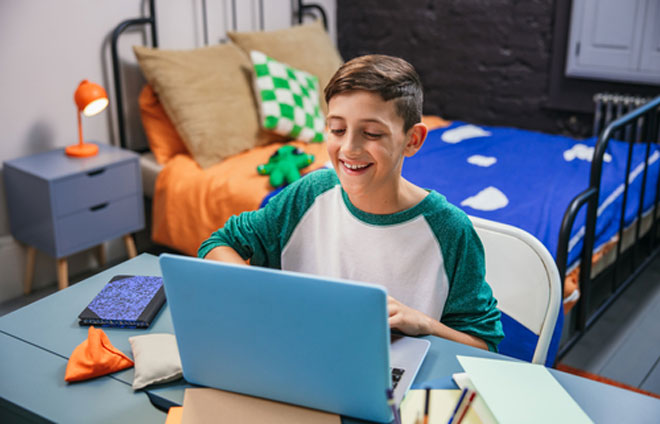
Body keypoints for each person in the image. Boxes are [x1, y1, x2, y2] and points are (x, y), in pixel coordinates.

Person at [198, 54, 504, 352]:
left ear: (412, 140)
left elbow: (484, 345)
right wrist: (263, 292)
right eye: (337, 129)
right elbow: (218, 244)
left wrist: (423, 323)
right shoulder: (309, 193)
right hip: (290, 358)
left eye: (371, 133)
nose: (349, 148)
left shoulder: (450, 231)